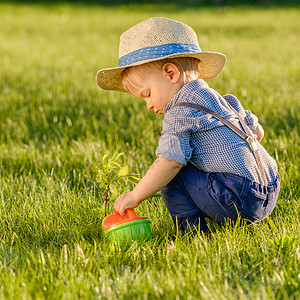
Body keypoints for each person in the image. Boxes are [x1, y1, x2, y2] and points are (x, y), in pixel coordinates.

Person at [96, 17, 280, 233]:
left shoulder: (180, 112)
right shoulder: (224, 101)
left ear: (171, 74)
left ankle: (193, 232)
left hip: (238, 199)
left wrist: (134, 196)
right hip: (270, 188)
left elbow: (168, 163)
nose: (148, 105)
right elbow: (257, 133)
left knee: (173, 174)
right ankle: (219, 208)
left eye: (147, 94)